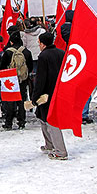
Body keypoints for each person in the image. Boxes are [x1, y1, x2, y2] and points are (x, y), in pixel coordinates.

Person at [31, 32, 68, 160]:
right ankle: (50, 144)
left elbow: (40, 78)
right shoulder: (61, 53)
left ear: (42, 43)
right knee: (42, 117)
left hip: (46, 93)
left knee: (51, 121)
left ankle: (60, 150)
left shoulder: (43, 56)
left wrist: (35, 96)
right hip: (58, 91)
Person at [0, 32, 33, 130]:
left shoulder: (8, 52)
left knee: (10, 100)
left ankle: (9, 122)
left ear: (11, 41)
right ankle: (21, 121)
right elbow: (29, 66)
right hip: (23, 79)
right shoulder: (26, 51)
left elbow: (2, 67)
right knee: (21, 99)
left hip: (10, 78)